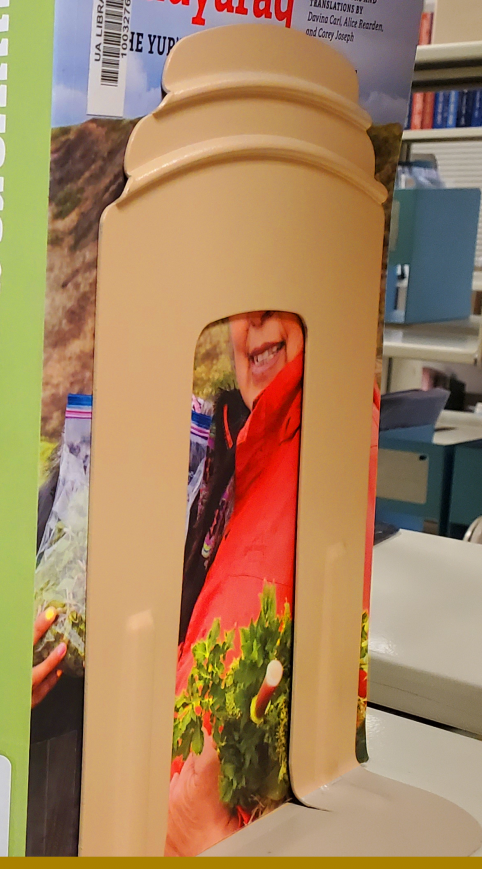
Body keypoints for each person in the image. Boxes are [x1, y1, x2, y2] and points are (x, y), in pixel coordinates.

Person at [165, 310, 304, 856]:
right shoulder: (227, 445)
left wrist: (211, 843)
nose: (260, 318)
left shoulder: (333, 464)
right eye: (246, 299)